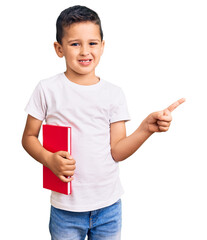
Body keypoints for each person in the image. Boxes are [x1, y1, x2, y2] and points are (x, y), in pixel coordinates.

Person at [22, 5, 185, 240]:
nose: (85, 51)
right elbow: (28, 137)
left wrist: (146, 128)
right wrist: (48, 158)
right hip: (66, 210)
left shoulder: (114, 94)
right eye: (75, 43)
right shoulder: (47, 89)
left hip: (108, 207)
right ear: (59, 49)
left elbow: (117, 151)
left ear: (103, 46)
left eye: (92, 43)